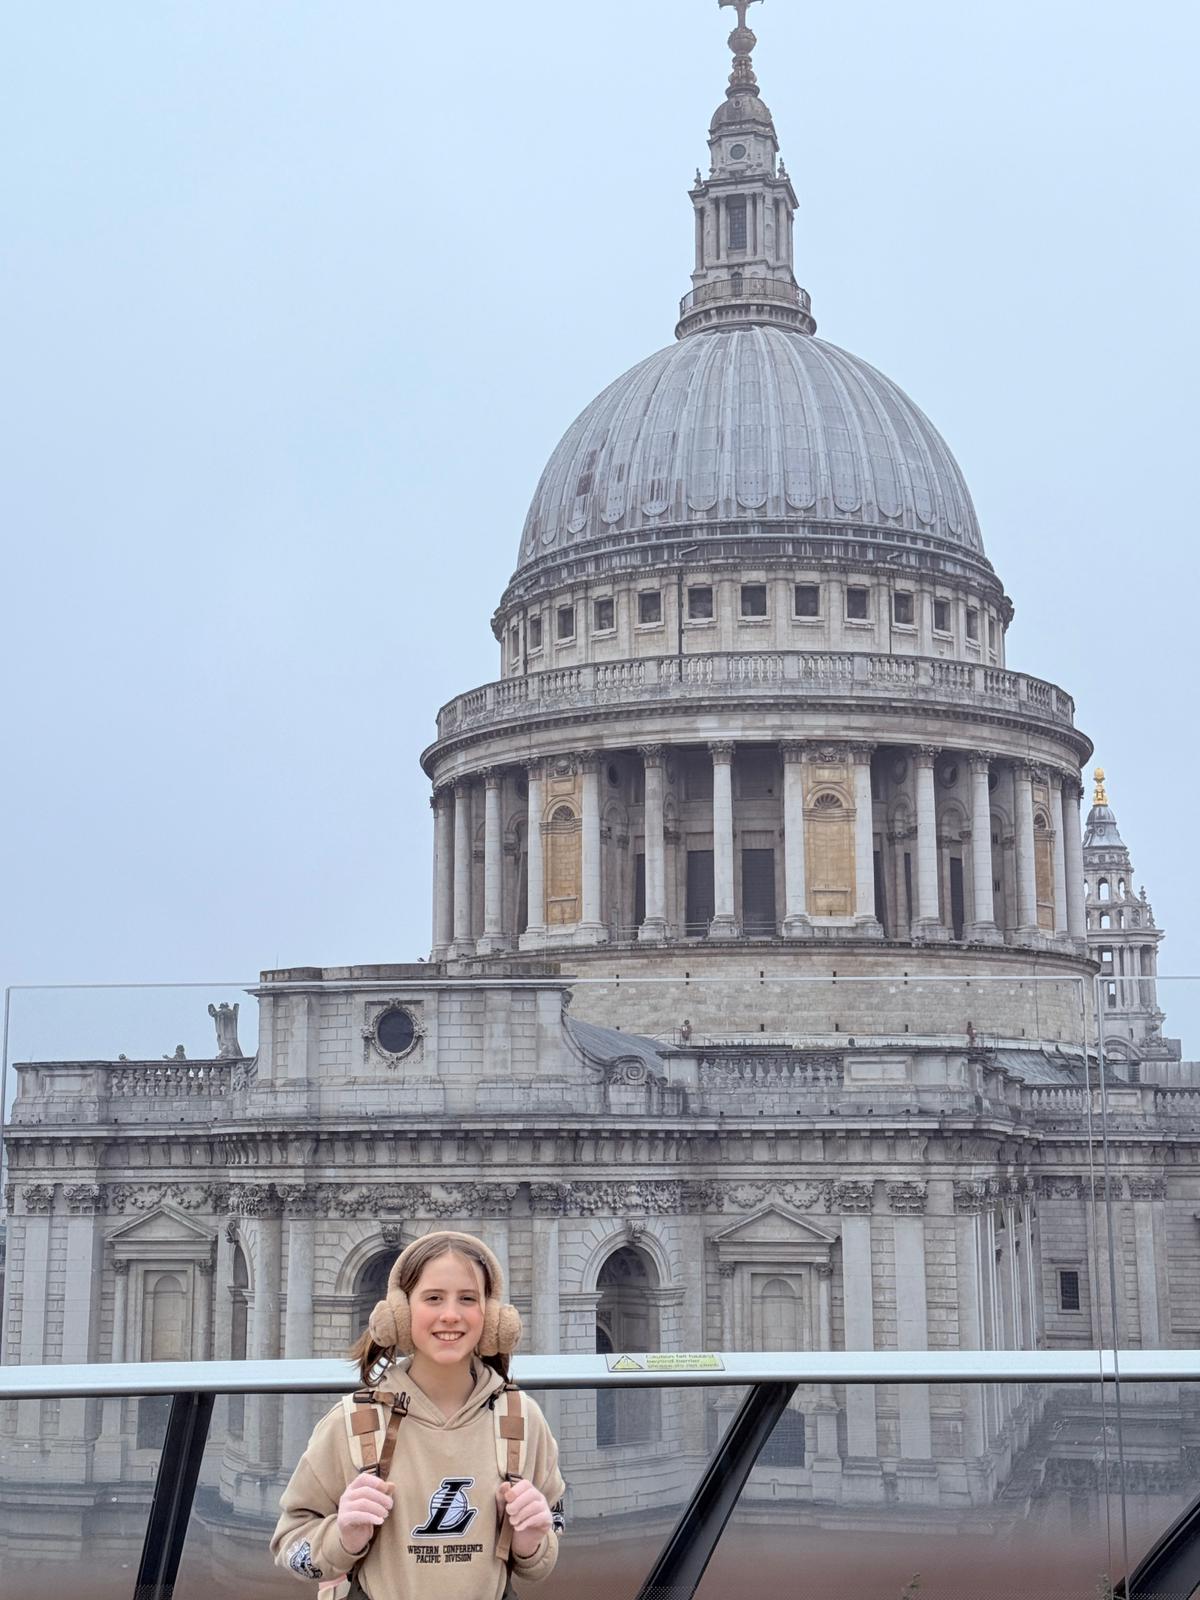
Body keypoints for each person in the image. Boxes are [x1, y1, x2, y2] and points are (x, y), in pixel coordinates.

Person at [271, 1231, 565, 1598]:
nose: (451, 1315)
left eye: (468, 1299)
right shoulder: (350, 1422)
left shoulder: (524, 1421)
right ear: (400, 1312)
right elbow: (290, 1546)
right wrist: (343, 1538)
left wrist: (531, 1542)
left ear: (491, 1317)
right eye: (433, 1298)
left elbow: (544, 1551)